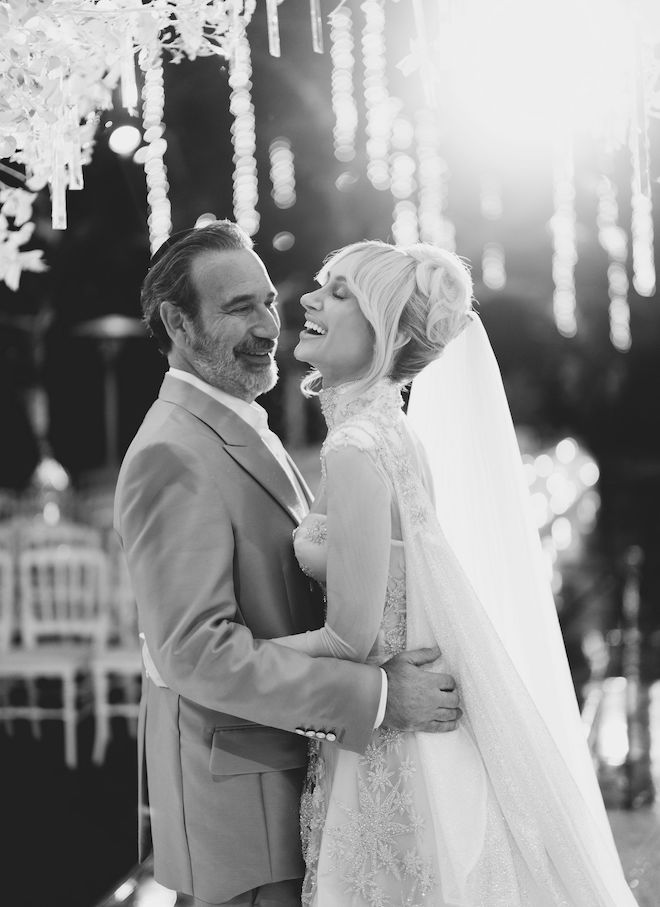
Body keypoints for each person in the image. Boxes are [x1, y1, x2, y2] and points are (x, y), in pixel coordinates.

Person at [273, 239, 639, 906]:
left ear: (383, 330)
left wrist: (234, 661)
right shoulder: (391, 434)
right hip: (410, 720)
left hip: (389, 742)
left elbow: (351, 638)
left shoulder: (356, 448)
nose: (308, 299)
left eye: (340, 291)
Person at [113, 221, 462, 907]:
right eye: (239, 307)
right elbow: (198, 656)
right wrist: (382, 698)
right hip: (242, 815)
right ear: (178, 323)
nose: (269, 323)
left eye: (268, 300)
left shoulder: (246, 422)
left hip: (299, 783)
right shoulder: (172, 452)